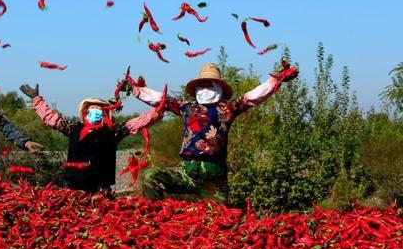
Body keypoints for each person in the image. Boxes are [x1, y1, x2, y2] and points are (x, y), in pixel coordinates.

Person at [131, 62, 298, 203]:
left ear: (219, 87)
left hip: (213, 176)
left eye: (210, 84)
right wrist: (136, 90)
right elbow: (160, 99)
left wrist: (274, 81)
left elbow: (251, 97)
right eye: (202, 85)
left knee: (219, 220)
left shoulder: (228, 109)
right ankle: (159, 218)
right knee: (150, 177)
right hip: (186, 171)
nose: (205, 89)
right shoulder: (186, 108)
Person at [19, 83, 163, 192]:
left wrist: (159, 109)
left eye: (99, 110)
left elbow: (135, 123)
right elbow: (52, 119)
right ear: (85, 113)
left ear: (106, 114)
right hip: (75, 186)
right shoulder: (73, 129)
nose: (95, 112)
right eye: (92, 110)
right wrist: (36, 99)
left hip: (101, 187)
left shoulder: (113, 131)